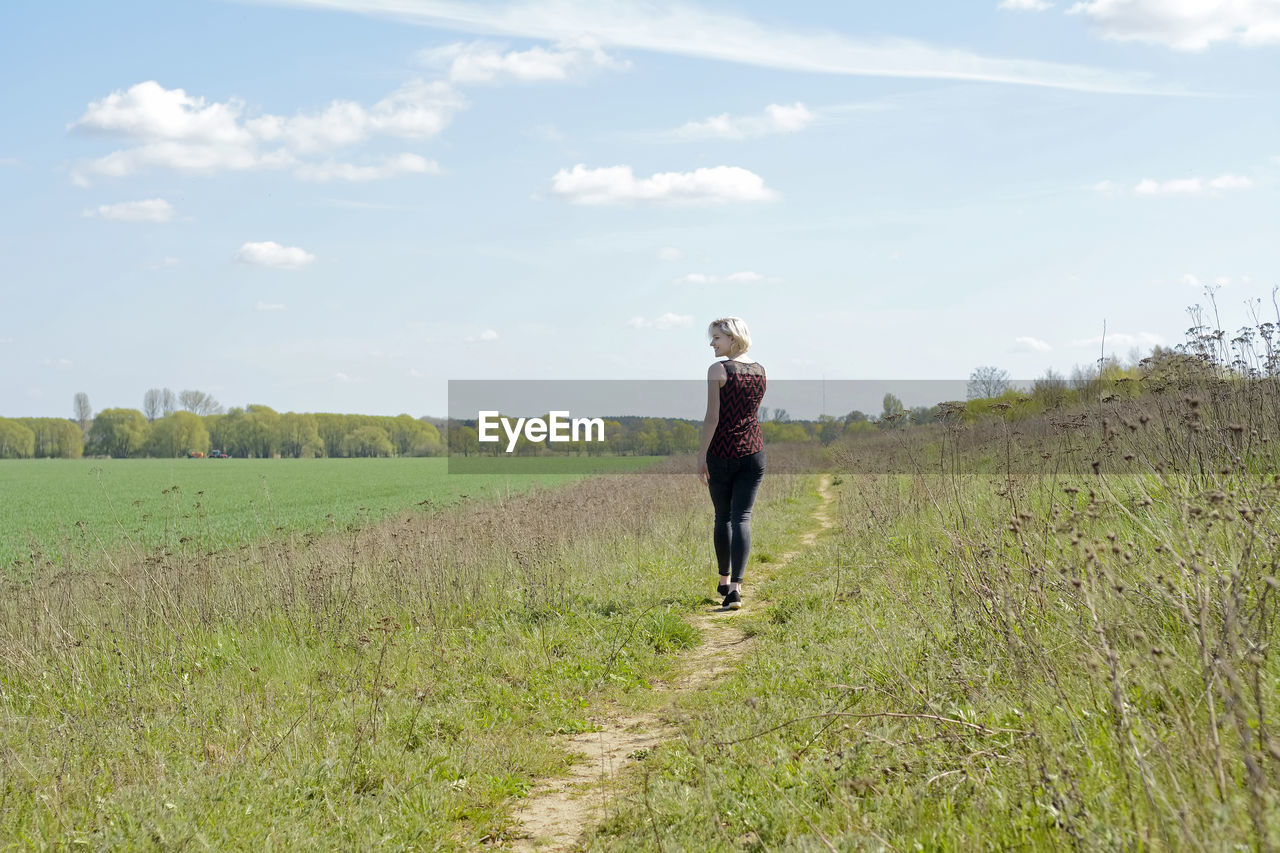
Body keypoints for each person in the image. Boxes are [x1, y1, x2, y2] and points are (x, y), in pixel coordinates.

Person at [698, 317, 766, 611]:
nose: (712, 343)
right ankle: (735, 589)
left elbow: (713, 417)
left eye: (716, 338)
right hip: (754, 451)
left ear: (732, 338)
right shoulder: (760, 371)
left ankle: (725, 582)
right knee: (743, 518)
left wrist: (701, 456)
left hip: (723, 452)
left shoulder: (718, 370)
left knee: (723, 517)